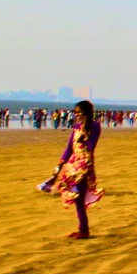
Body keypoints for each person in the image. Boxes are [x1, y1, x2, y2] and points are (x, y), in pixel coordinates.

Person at [46, 101, 104, 239]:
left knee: (79, 197)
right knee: (77, 199)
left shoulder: (95, 126)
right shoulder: (76, 127)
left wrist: (85, 130)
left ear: (87, 113)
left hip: (84, 166)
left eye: (80, 112)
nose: (77, 115)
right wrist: (59, 166)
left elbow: (90, 146)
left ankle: (84, 230)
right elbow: (69, 148)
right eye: (76, 112)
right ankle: (83, 229)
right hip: (72, 165)